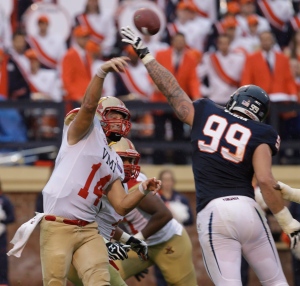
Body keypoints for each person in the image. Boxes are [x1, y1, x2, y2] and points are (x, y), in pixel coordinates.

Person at [120, 26, 300, 285]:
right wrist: (289, 222)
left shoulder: (206, 111)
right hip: (248, 209)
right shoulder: (263, 132)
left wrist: (146, 55)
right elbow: (264, 179)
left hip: (215, 211)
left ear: (235, 99)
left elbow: (172, 91)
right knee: (277, 282)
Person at [7, 56, 161, 286]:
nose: (118, 121)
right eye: (113, 115)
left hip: (88, 228)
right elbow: (88, 106)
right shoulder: (84, 131)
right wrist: (101, 72)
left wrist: (142, 189)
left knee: (100, 282)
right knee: (55, 282)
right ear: (101, 115)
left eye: (122, 117)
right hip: (58, 222)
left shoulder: (117, 162)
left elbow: (121, 205)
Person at [111, 138, 197, 286]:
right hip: (140, 243)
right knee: (105, 278)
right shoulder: (103, 185)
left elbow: (164, 215)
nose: (127, 165)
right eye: (122, 159)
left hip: (168, 240)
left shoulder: (133, 184)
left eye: (129, 160)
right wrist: (130, 242)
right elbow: (108, 225)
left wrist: (135, 241)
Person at [0, 179, 15, 285]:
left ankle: (3, 282)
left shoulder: (4, 200)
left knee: (2, 260)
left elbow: (11, 217)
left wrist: (2, 218)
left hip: (1, 236)